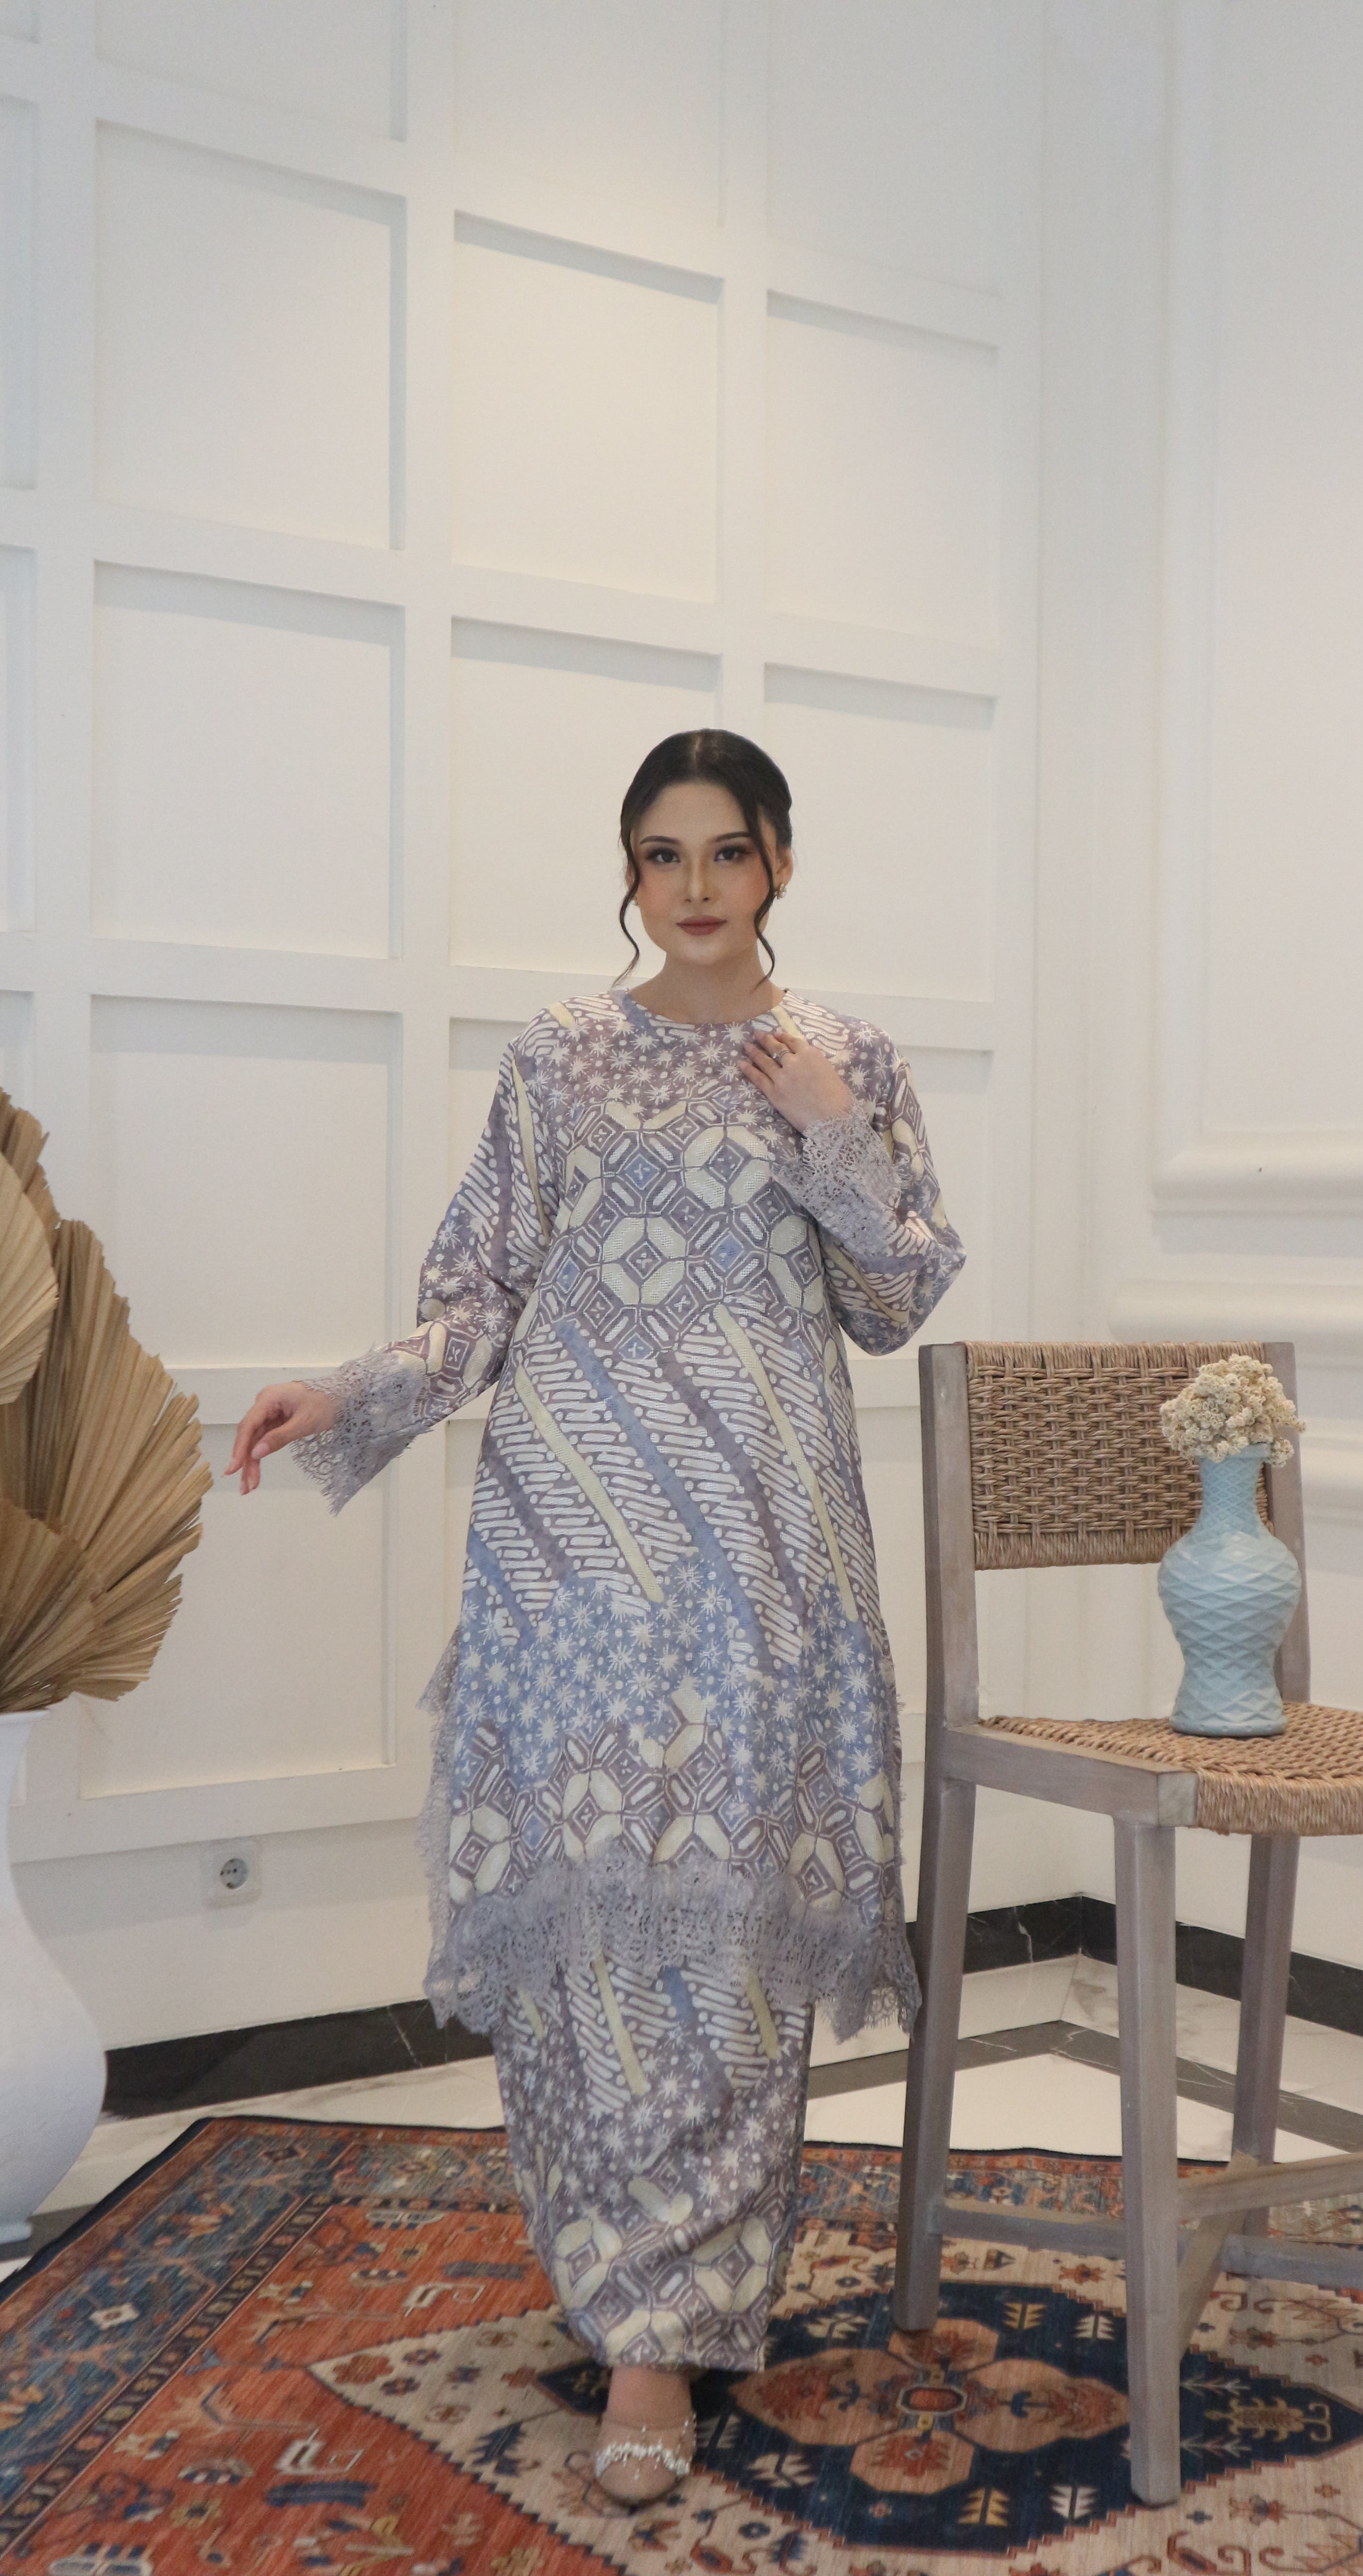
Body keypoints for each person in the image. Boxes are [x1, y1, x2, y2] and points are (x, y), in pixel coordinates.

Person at [227, 730, 963, 2504]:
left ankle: (676, 2331)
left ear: (781, 859)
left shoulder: (847, 1057)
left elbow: (896, 1299)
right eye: (660, 855)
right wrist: (347, 1393)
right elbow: (481, 1290)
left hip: (768, 1546)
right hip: (570, 1541)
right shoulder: (557, 1056)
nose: (695, 887)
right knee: (589, 1926)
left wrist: (829, 1132)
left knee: (731, 1924)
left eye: (728, 851)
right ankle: (623, 2299)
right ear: (629, 873)